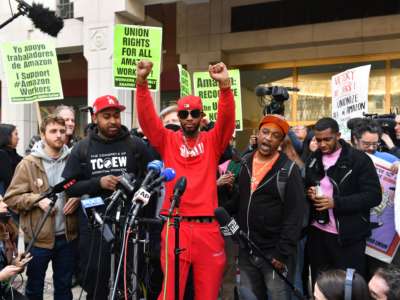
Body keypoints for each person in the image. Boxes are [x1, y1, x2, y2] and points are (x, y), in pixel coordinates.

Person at [135, 60, 235, 299]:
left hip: (208, 229)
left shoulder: (213, 141)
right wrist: (141, 84)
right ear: (179, 117)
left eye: (194, 113)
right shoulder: (167, 141)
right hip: (174, 225)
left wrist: (225, 87)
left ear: (202, 116)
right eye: (183, 114)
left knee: (208, 295)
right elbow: (148, 121)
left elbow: (227, 122)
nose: (189, 118)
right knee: (170, 295)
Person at [62, 95, 151, 300]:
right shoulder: (82, 148)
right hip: (96, 227)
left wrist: (137, 189)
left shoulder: (135, 145)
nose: (113, 121)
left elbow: (153, 178)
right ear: (95, 118)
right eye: (106, 116)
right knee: (95, 276)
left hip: (129, 225)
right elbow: (69, 187)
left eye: (116, 115)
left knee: (129, 277)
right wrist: (97, 183)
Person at [225, 114, 305, 300]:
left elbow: (295, 215)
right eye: (265, 132)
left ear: (281, 141)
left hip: (274, 253)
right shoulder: (244, 163)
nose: (268, 138)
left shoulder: (288, 170)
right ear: (257, 134)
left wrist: (282, 253)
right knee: (249, 297)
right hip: (247, 249)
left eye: (275, 135)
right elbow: (239, 201)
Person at [4, 115, 79, 300]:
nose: (59, 135)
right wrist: (37, 200)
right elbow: (12, 198)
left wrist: (78, 197)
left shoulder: (74, 160)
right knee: (34, 289)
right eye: (53, 131)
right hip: (38, 240)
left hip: (67, 237)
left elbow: (85, 187)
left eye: (62, 131)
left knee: (64, 288)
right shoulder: (28, 164)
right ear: (43, 134)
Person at [305, 117, 382, 282]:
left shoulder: (359, 160)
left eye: (327, 139)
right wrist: (309, 192)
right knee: (321, 285)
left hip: (348, 237)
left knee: (350, 287)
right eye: (319, 140)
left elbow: (374, 196)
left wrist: (336, 203)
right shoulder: (313, 159)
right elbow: (307, 186)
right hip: (317, 233)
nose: (322, 144)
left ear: (338, 135)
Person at [0, 198, 32, 300]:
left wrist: (16, 264)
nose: (5, 205)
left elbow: (5, 266)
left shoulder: (6, 229)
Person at [0, 124, 22, 196]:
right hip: (7, 198)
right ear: (7, 136)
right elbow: (10, 180)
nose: (18, 138)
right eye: (16, 134)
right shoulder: (2, 154)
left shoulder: (12, 153)